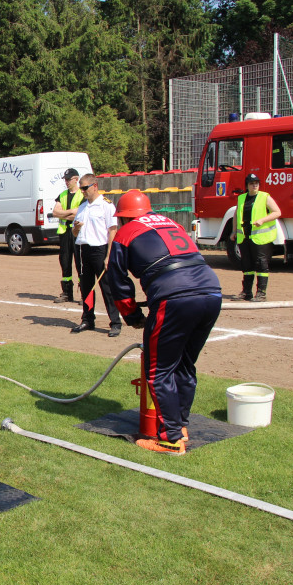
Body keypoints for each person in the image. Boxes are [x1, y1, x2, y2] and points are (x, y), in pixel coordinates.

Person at [106, 190, 222, 455]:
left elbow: (117, 280)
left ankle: (170, 440)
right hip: (211, 292)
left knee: (159, 370)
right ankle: (179, 426)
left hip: (174, 299)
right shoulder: (172, 223)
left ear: (123, 217)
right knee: (184, 364)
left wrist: (133, 315)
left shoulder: (125, 233)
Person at [70, 174, 121, 337]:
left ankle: (115, 322)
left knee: (107, 288)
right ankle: (87, 319)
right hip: (83, 250)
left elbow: (112, 230)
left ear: (94, 186)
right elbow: (74, 231)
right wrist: (76, 228)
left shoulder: (106, 205)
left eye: (84, 188)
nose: (82, 191)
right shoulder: (83, 206)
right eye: (81, 188)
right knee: (86, 288)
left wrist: (109, 255)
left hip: (100, 249)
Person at [236, 173, 281, 302]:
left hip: (260, 237)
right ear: (247, 185)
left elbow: (277, 212)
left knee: (261, 264)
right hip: (245, 236)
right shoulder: (241, 198)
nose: (254, 185)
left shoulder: (264, 197)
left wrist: (262, 220)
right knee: (246, 264)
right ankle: (246, 292)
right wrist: (234, 231)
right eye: (251, 183)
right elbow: (236, 216)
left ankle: (261, 293)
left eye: (256, 183)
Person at [51, 168, 84, 303]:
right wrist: (70, 213)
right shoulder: (62, 194)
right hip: (64, 233)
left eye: (69, 179)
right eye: (65, 179)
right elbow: (55, 212)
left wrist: (64, 213)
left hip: (78, 232)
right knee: (65, 262)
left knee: (80, 263)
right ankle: (66, 292)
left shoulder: (82, 194)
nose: (66, 182)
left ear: (76, 179)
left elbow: (79, 213)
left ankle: (84, 293)